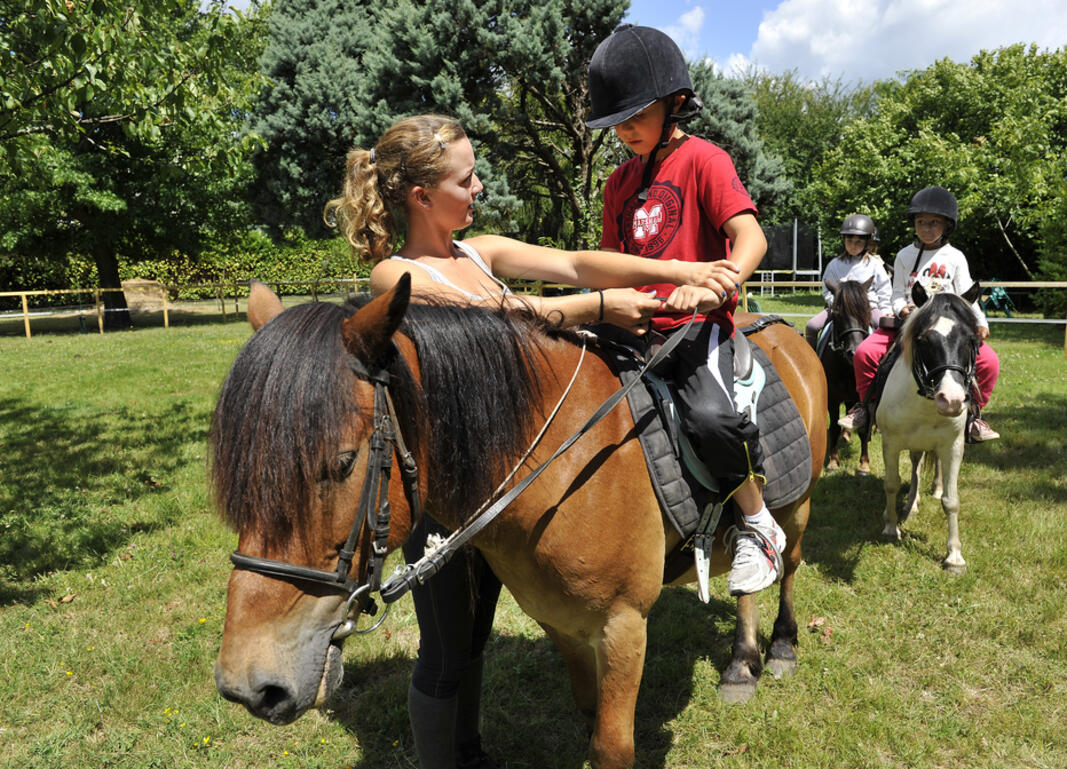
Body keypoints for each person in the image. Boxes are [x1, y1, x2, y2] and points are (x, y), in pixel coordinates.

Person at [324, 113, 740, 769]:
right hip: (442, 492)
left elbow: (575, 261)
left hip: (503, 480)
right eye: (466, 178)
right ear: (421, 196)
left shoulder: (475, 250)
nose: (479, 186)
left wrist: (682, 265)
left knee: (474, 636)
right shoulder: (395, 276)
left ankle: (470, 748)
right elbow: (496, 324)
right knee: (442, 647)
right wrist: (597, 309)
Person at [586, 24, 785, 598]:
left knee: (711, 417)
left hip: (698, 327)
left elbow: (750, 239)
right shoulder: (618, 183)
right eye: (617, 122)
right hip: (632, 324)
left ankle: (755, 520)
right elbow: (612, 263)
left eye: (635, 116)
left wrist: (717, 285)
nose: (625, 131)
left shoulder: (706, 160)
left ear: (673, 103)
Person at [838, 186, 1001, 441]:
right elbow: (897, 293)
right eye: (921, 222)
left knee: (989, 363)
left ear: (947, 225)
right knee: (864, 353)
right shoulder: (904, 255)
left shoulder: (955, 257)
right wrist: (901, 307)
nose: (926, 227)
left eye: (934, 222)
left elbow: (968, 294)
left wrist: (980, 322)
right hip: (909, 325)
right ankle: (866, 406)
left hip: (948, 329)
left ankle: (974, 415)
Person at [804, 214, 892, 349]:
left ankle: (886, 363)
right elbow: (827, 289)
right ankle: (813, 361)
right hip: (839, 309)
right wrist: (836, 303)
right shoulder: (834, 264)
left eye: (859, 242)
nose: (853, 245)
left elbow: (884, 289)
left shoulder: (874, 265)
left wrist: (885, 309)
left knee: (886, 327)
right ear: (844, 241)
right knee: (812, 326)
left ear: (867, 243)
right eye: (849, 241)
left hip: (868, 308)